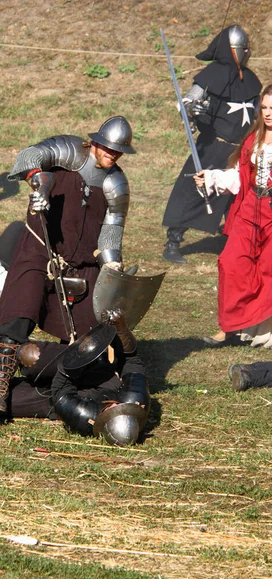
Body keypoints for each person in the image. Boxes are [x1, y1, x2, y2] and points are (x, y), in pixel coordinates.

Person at [0, 116, 136, 417]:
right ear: (95, 142)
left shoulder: (116, 183)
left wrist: (112, 266)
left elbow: (111, 231)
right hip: (40, 249)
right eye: (108, 148)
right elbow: (31, 156)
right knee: (16, 318)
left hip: (81, 267)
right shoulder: (68, 150)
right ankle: (0, 393)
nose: (112, 154)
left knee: (91, 343)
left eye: (118, 151)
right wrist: (38, 183)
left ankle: (54, 385)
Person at [162, 24, 262, 264]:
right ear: (230, 50)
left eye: (247, 48)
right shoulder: (212, 75)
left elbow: (258, 111)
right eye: (241, 48)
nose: (245, 52)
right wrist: (190, 108)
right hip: (212, 146)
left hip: (240, 148)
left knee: (235, 197)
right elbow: (186, 103)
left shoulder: (250, 80)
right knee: (191, 193)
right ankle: (173, 242)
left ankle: (236, 242)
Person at [0, 309, 151, 447]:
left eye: (111, 412)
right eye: (120, 408)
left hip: (56, 393)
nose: (115, 406)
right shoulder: (134, 399)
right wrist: (121, 329)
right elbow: (132, 360)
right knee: (30, 355)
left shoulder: (85, 417)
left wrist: (77, 358)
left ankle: (31, 383)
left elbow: (62, 387)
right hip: (93, 371)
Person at [194, 84, 272, 347]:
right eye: (264, 108)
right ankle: (229, 327)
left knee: (267, 269)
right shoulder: (253, 140)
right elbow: (240, 178)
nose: (268, 113)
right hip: (251, 208)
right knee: (230, 262)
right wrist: (211, 178)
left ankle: (261, 329)